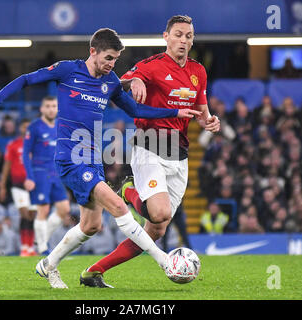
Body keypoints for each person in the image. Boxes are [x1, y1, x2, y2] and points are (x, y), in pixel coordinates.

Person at [0, 27, 199, 289]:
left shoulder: (111, 81)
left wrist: (174, 113)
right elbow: (26, 79)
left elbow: (136, 109)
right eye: (107, 58)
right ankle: (164, 261)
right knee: (117, 206)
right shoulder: (68, 70)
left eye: (115, 59)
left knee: (90, 225)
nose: (111, 65)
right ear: (92, 51)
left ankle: (48, 265)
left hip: (92, 159)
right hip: (71, 158)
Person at [81, 15, 220, 287]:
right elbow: (118, 82)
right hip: (151, 145)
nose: (184, 40)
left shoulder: (198, 71)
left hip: (179, 153)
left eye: (188, 36)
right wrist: (134, 82)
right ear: (165, 37)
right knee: (158, 213)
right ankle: (127, 190)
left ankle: (94, 272)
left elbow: (202, 112)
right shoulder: (150, 65)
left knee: (157, 228)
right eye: (178, 34)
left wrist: (210, 121)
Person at [22, 96, 71, 255]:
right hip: (40, 172)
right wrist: (29, 176)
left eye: (54, 106)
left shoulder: (60, 126)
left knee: (64, 208)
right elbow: (25, 153)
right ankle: (42, 248)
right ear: (42, 109)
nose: (51, 109)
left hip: (55, 172)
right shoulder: (35, 126)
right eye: (48, 106)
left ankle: (40, 239)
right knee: (43, 209)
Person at [0, 118, 37, 256]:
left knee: (32, 215)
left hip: (33, 184)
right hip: (18, 184)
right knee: (24, 213)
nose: (26, 129)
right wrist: (2, 186)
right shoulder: (13, 145)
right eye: (24, 127)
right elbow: (7, 166)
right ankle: (24, 247)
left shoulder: (37, 145)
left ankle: (30, 247)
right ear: (20, 128)